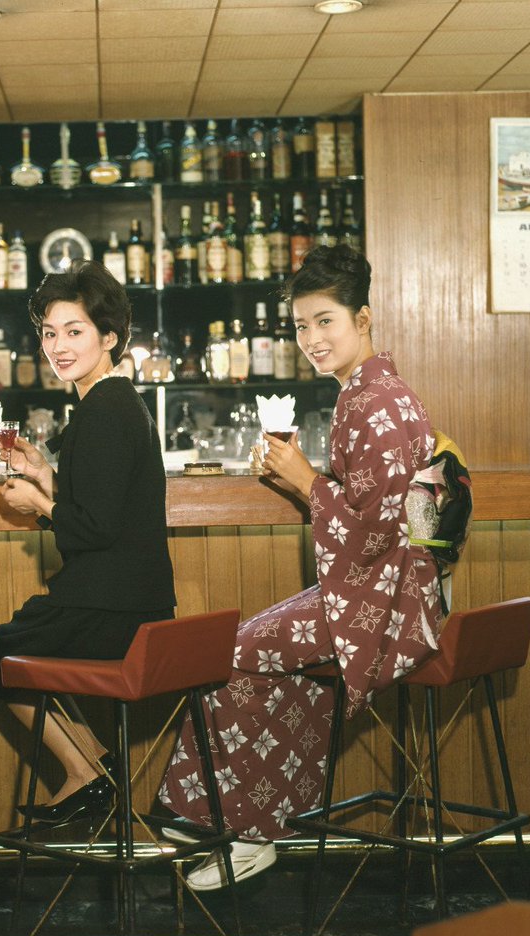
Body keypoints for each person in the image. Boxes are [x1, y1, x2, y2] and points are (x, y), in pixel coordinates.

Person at [159, 245, 449, 890]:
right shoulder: (374, 393)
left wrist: (306, 482)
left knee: (234, 651)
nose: (311, 338)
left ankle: (241, 826)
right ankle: (240, 820)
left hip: (384, 604)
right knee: (264, 656)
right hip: (387, 592)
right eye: (300, 326)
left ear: (364, 319)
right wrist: (307, 483)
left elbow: (377, 530)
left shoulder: (373, 403)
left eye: (326, 321)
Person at [0, 260, 175, 824]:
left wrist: (38, 506)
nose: (59, 346)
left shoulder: (102, 408)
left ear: (110, 338)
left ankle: (86, 775)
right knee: (13, 642)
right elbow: (106, 502)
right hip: (130, 599)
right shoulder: (114, 402)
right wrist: (46, 471)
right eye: (50, 333)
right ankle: (94, 766)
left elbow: (94, 528)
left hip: (110, 605)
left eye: (74, 331)